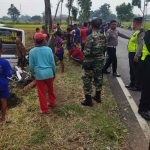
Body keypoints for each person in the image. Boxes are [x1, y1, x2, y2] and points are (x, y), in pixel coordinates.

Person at [81, 18, 107, 107]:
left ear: (91, 26)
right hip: (100, 61)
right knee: (99, 78)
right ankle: (97, 96)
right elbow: (105, 48)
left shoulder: (90, 37)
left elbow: (87, 52)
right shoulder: (103, 36)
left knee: (87, 80)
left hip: (90, 62)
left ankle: (88, 100)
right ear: (100, 26)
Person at [29, 33, 56, 114]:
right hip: (49, 73)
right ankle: (52, 103)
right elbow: (52, 63)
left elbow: (31, 65)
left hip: (39, 74)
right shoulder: (49, 49)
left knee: (41, 92)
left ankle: (44, 109)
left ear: (35, 41)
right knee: (50, 90)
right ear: (43, 40)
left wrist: (32, 75)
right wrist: (54, 73)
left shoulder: (32, 51)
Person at [125, 17, 144, 91]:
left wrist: (137, 55)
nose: (133, 24)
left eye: (133, 22)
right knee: (132, 70)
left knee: (136, 70)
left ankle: (138, 85)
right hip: (131, 53)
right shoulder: (136, 31)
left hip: (135, 54)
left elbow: (141, 44)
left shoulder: (141, 32)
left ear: (136, 23)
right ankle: (132, 83)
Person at [138, 29, 150, 120]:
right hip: (146, 63)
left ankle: (148, 105)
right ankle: (142, 109)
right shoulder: (148, 34)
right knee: (147, 87)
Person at [0, 42, 12, 122]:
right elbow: (9, 75)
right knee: (4, 100)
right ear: (1, 50)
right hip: (2, 84)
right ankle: (3, 118)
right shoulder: (5, 62)